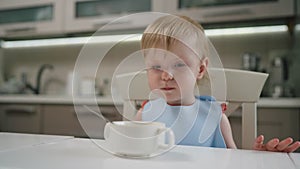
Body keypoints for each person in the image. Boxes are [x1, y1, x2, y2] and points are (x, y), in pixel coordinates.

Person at [135, 14, 300, 152]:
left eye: (179, 65)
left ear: (200, 69)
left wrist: (257, 157)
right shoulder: (143, 115)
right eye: (156, 67)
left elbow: (233, 161)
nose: (166, 76)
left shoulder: (215, 117)